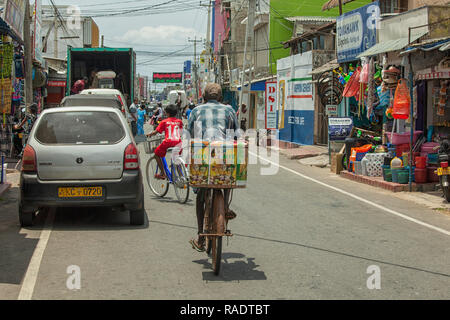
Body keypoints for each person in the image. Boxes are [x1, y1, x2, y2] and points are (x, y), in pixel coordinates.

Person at [187, 83, 239, 252]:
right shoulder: (230, 110)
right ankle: (225, 206)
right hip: (224, 153)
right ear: (220, 97)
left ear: (203, 96)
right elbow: (236, 135)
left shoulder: (195, 111)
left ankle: (200, 236)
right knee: (227, 175)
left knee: (200, 195)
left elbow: (189, 135)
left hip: (202, 153)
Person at [146, 104, 183, 179]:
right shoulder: (179, 121)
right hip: (179, 143)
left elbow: (156, 132)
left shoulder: (164, 122)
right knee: (176, 157)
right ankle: (182, 176)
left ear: (167, 113)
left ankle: (163, 173)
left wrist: (149, 134)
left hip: (168, 142)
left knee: (156, 153)